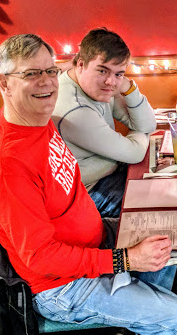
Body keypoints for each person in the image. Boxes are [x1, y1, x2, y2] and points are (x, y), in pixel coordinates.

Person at [0, 34, 177, 335]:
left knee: (167, 238)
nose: (47, 82)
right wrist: (125, 259)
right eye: (31, 74)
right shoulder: (7, 165)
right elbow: (42, 258)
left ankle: (136, 323)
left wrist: (127, 253)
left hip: (92, 241)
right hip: (60, 286)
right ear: (4, 83)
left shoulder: (37, 119)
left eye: (50, 70)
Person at [52, 28, 157, 218]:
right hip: (87, 193)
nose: (110, 82)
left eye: (119, 74)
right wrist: (139, 137)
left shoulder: (97, 88)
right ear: (81, 64)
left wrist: (128, 87)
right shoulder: (75, 110)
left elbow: (148, 124)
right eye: (102, 70)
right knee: (155, 206)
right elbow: (135, 153)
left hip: (108, 174)